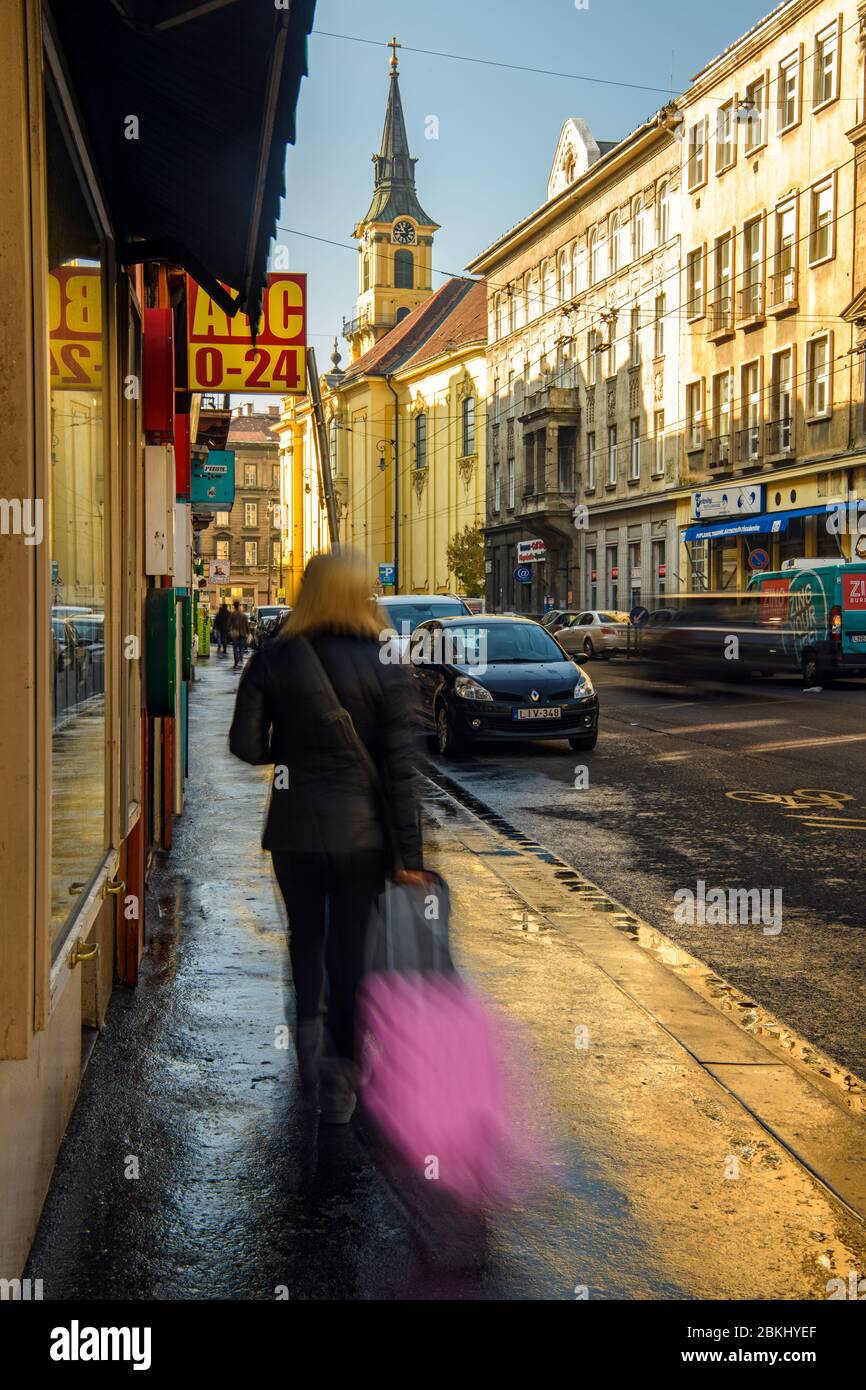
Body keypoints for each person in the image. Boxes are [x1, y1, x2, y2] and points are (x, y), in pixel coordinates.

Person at [229, 552, 425, 1123]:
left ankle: (306, 1054)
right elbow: (401, 767)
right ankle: (341, 1079)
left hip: (294, 831)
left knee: (306, 940)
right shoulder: (387, 658)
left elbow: (245, 744)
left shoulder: (275, 655)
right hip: (362, 839)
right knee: (350, 953)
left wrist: (287, 751)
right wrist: (409, 855)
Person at [226, 600, 249, 668]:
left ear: (234, 606)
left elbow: (228, 624)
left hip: (235, 633)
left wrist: (229, 630)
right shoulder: (243, 615)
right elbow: (246, 624)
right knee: (241, 646)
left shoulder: (232, 614)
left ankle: (236, 660)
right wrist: (248, 632)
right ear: (239, 606)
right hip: (242, 633)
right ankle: (241, 658)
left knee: (235, 647)